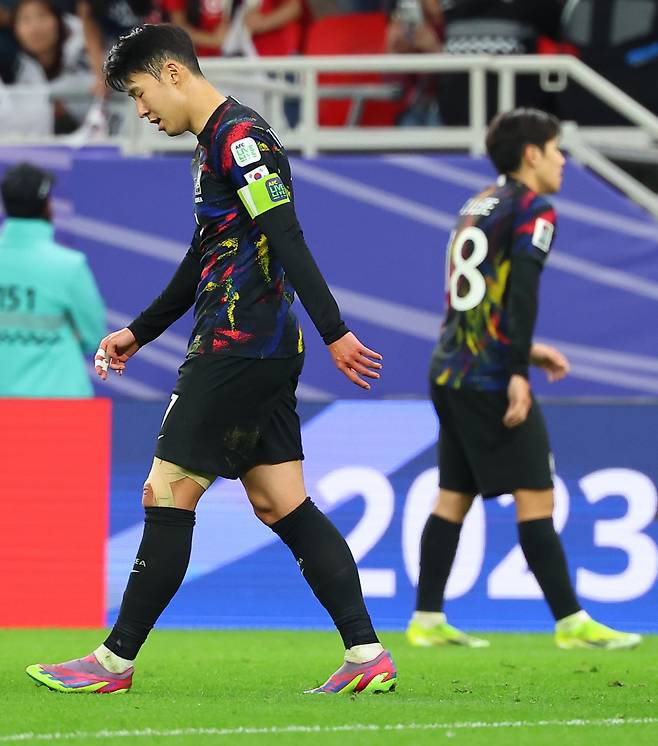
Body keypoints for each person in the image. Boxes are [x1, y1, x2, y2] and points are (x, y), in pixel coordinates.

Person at [25, 23, 397, 695]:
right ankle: (366, 655)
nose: (141, 111)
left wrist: (336, 330)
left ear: (173, 73)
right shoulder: (211, 146)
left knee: (165, 490)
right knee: (281, 502)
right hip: (260, 346)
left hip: (236, 347)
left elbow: (285, 233)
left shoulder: (242, 140)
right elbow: (205, 253)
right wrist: (139, 332)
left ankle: (113, 662)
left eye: (140, 94)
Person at [406, 108, 642, 651]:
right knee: (537, 492)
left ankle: (426, 619)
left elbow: (470, 301)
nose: (563, 160)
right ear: (532, 154)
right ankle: (571, 623)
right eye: (557, 149)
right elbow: (521, 295)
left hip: (449, 368)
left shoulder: (477, 205)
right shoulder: (535, 209)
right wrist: (516, 369)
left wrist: (524, 351)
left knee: (453, 496)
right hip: (489, 376)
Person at [0, 162, 105, 397]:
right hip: (60, 409)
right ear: (46, 206)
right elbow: (93, 337)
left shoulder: (68, 265)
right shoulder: (69, 266)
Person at [12, 0, 92, 133]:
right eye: (25, 20)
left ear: (59, 20)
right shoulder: (19, 68)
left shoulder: (88, 54)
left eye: (42, 16)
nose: (35, 28)